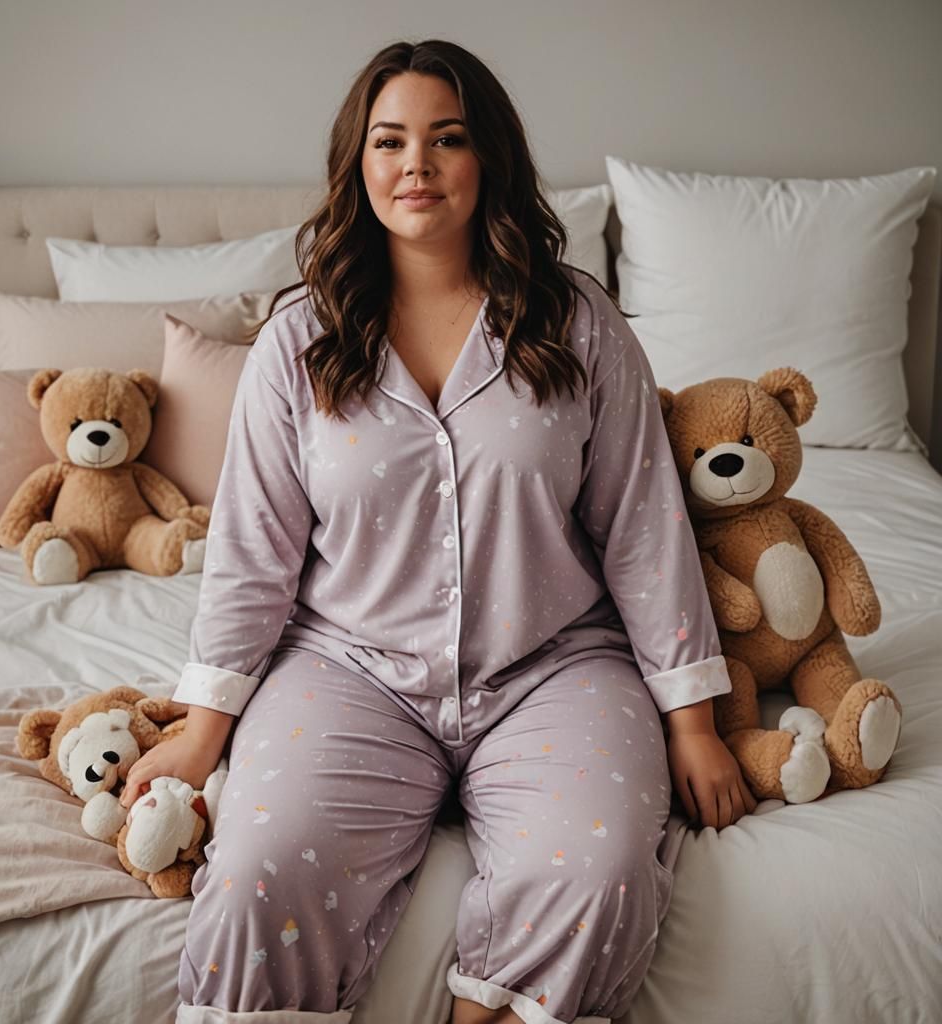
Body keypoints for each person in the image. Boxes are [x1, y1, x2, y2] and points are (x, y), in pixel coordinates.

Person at [120, 38, 757, 1024]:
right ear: (359, 164)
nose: (414, 163)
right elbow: (253, 549)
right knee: (260, 872)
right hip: (349, 667)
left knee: (598, 869)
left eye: (445, 138)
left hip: (552, 666)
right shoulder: (298, 341)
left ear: (486, 159)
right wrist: (205, 731)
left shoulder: (579, 326)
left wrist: (694, 722)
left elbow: (642, 526)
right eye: (390, 141)